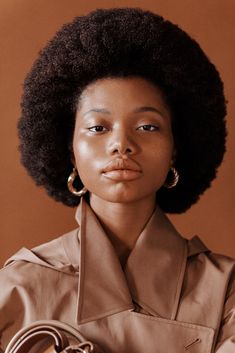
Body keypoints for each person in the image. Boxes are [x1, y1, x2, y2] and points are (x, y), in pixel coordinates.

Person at [0, 7, 234, 353]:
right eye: (98, 128)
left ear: (175, 147)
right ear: (69, 150)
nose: (121, 144)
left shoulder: (226, 290)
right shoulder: (17, 288)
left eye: (147, 127)